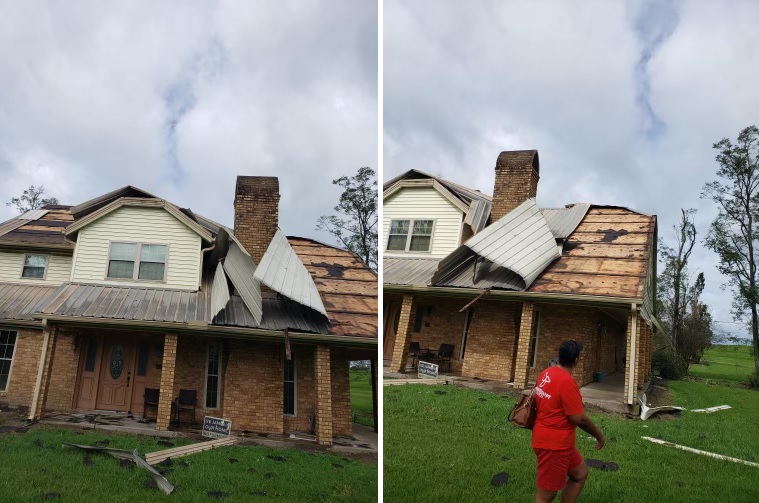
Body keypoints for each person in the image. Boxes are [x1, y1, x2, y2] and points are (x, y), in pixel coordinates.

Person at [531, 340, 605, 503]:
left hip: (555, 441)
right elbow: (579, 418)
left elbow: (538, 400)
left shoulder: (546, 373)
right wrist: (599, 436)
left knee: (580, 473)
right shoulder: (567, 382)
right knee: (546, 495)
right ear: (576, 360)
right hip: (553, 445)